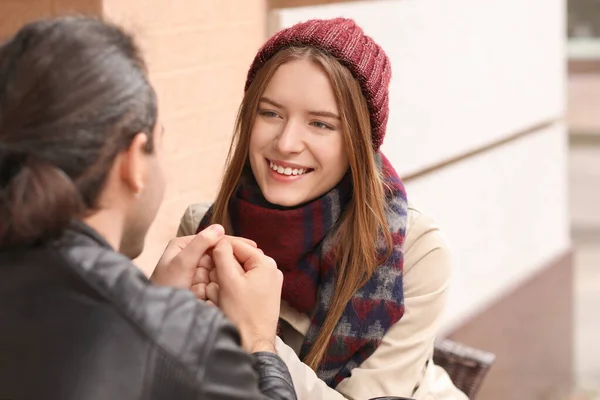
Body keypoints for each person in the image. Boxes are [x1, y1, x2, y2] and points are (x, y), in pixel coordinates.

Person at [0, 16, 297, 400]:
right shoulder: (182, 338)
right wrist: (258, 341)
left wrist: (148, 301)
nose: (288, 143)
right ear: (133, 161)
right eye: (161, 141)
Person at [178, 18, 468, 400]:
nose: (286, 143)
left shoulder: (413, 251)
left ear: (359, 143)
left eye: (320, 124)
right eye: (270, 113)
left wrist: (257, 339)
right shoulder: (206, 230)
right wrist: (153, 308)